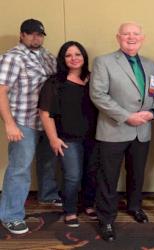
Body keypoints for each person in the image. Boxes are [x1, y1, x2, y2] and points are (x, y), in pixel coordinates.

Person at [90, 22, 154, 241]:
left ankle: (134, 206)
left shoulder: (151, 65)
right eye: (126, 34)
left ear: (143, 38)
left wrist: (153, 112)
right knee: (108, 177)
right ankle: (107, 219)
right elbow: (98, 95)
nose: (131, 37)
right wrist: (126, 116)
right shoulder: (104, 61)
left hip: (143, 130)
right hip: (114, 129)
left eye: (136, 34)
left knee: (137, 173)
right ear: (118, 37)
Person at [0, 18, 59, 234]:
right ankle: (11, 215)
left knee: (47, 162)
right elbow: (1, 92)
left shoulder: (46, 55)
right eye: (31, 33)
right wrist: (9, 124)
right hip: (23, 122)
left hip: (45, 120)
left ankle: (48, 194)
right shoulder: (12, 58)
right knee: (20, 169)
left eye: (39, 34)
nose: (36, 37)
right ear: (22, 35)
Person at [38, 41, 98, 227]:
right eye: (69, 55)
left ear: (84, 57)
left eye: (78, 54)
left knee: (92, 173)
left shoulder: (93, 79)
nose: (74, 58)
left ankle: (88, 205)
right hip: (67, 138)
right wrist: (53, 139)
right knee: (72, 175)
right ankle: (70, 210)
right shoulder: (55, 82)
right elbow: (45, 112)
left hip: (94, 136)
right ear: (63, 59)